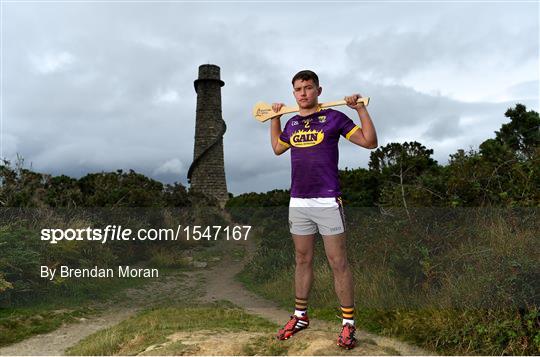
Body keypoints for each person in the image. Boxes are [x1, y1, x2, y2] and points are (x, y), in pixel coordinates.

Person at [269, 70, 378, 349]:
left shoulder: (334, 118)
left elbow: (369, 142)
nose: (303, 93)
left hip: (327, 200)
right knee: (302, 259)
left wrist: (360, 109)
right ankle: (300, 316)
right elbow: (277, 148)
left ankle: (348, 325)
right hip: (299, 201)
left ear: (319, 90)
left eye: (308, 87)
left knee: (337, 262)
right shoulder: (292, 123)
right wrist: (275, 118)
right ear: (293, 93)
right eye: (298, 89)